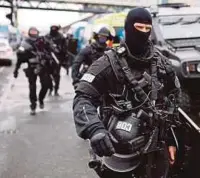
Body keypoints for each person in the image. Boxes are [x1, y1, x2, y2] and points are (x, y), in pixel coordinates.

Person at [73, 8, 181, 178]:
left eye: (148, 28)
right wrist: (94, 129)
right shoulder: (107, 63)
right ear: (128, 28)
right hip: (118, 151)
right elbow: (83, 98)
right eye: (139, 27)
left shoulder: (162, 64)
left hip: (155, 149)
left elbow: (173, 101)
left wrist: (172, 139)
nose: (143, 33)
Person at [14, 27, 52, 115]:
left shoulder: (43, 41)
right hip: (31, 67)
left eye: (35, 31)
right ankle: (33, 105)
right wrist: (16, 70)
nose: (34, 33)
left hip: (42, 66)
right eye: (32, 31)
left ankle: (41, 99)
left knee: (46, 85)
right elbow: (19, 58)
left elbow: (50, 53)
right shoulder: (25, 43)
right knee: (32, 87)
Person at [45, 25, 68, 96]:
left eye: (55, 28)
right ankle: (50, 88)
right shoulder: (47, 37)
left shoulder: (61, 37)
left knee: (56, 75)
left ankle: (56, 89)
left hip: (58, 59)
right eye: (52, 28)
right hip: (48, 59)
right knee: (48, 75)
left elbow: (65, 48)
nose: (53, 29)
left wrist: (63, 58)